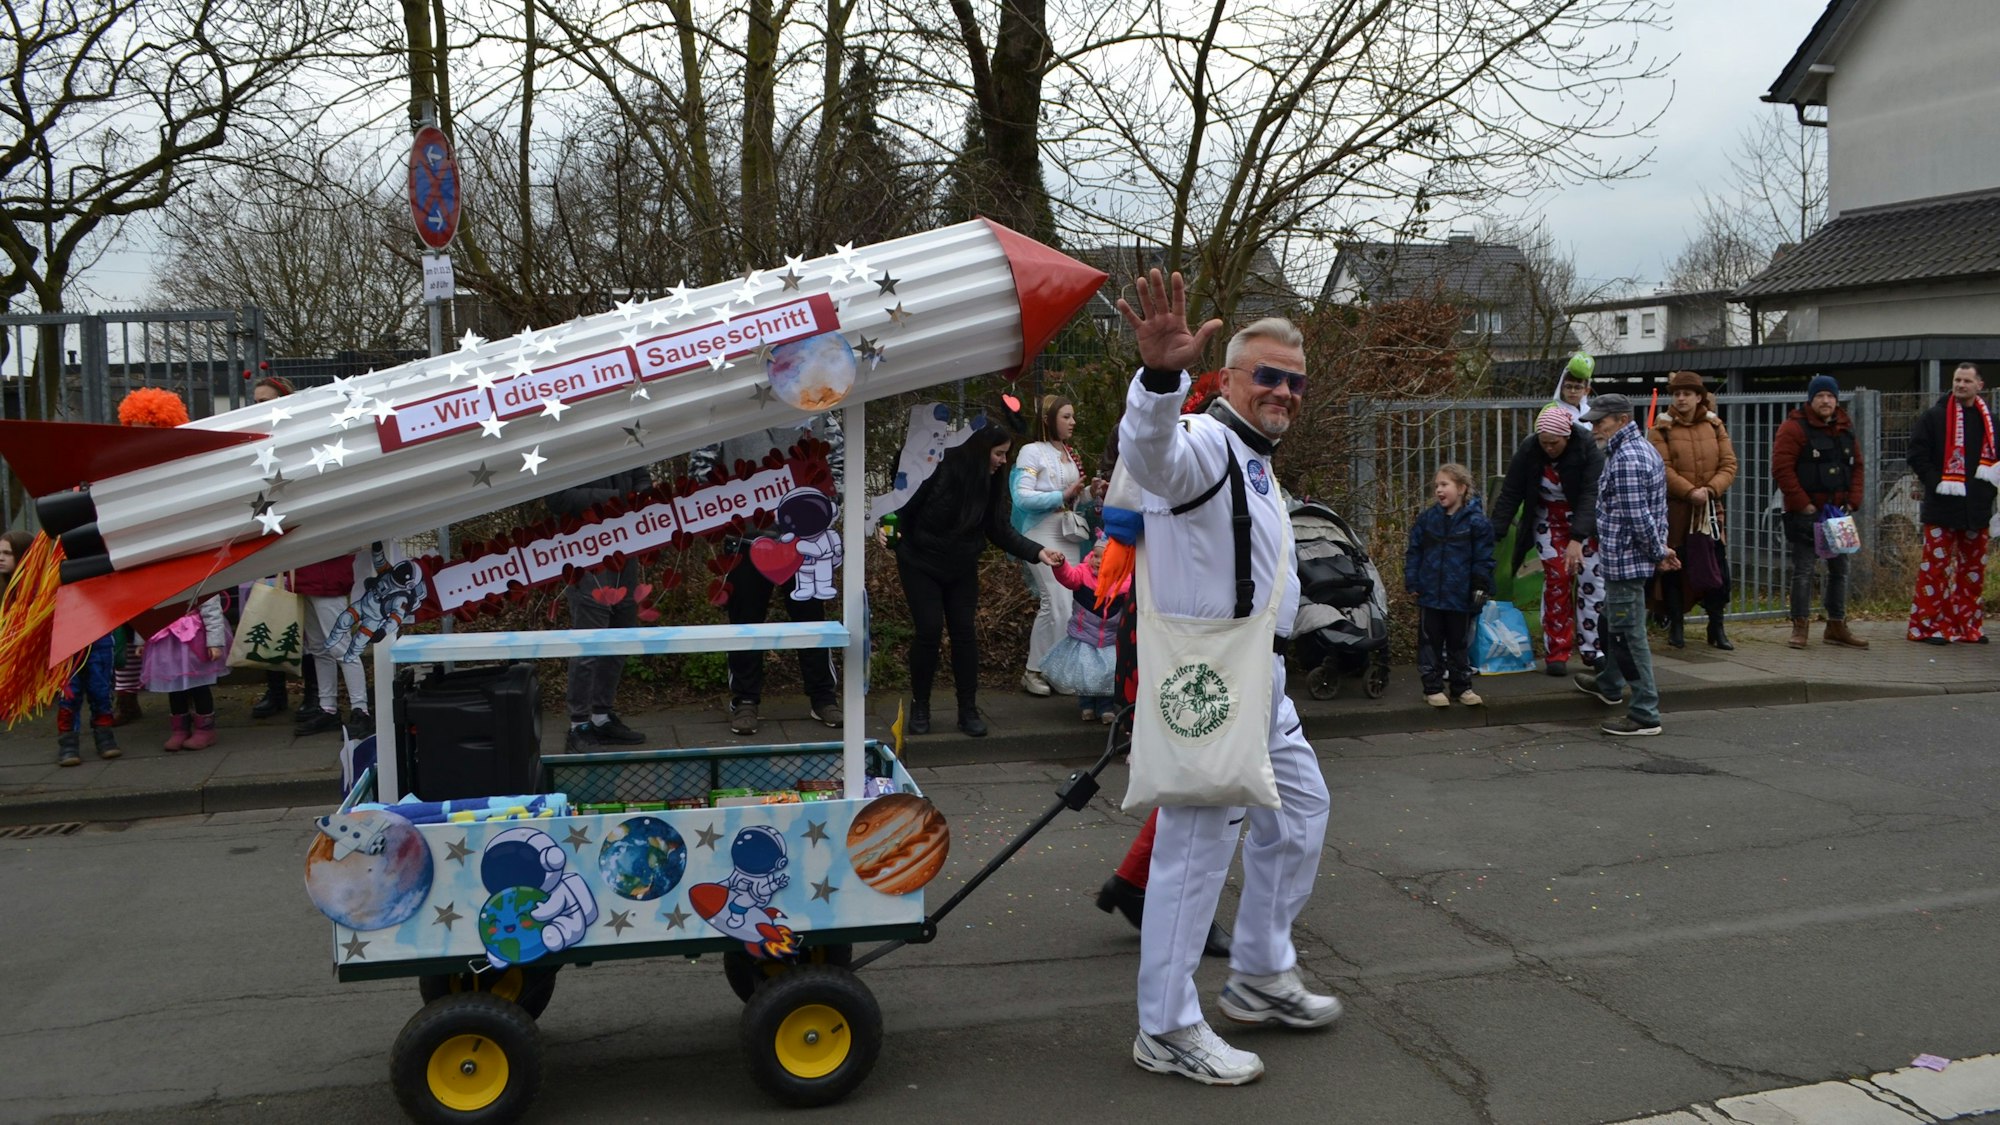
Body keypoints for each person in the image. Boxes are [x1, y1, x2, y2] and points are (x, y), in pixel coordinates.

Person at [1115, 271, 1337, 1088]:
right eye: (1268, 376)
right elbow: (1149, 453)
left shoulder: (1256, 463)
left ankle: (1260, 973)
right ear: (1231, 379)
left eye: (1295, 381)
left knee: (1301, 813)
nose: (1283, 392)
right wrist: (1158, 378)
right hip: (1210, 679)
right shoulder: (1203, 442)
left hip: (1259, 679)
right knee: (1196, 847)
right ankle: (1167, 1025)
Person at [881, 422, 1065, 737]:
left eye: (1005, 454)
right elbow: (901, 505)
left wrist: (1037, 551)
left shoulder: (991, 481)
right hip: (920, 561)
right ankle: (920, 706)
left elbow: (999, 529)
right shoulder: (937, 469)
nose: (1003, 461)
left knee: (964, 633)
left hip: (961, 564)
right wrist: (888, 531)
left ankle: (967, 709)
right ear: (979, 450)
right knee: (929, 630)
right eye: (998, 453)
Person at [690, 418, 845, 736]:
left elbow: (838, 459)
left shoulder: (815, 408)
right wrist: (723, 509)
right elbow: (700, 469)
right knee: (745, 624)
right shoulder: (727, 409)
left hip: (804, 539)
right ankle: (745, 700)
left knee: (812, 621)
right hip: (745, 541)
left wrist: (828, 507)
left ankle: (823, 698)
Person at [1573, 394, 1679, 737]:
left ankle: (1645, 712)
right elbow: (1649, 513)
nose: (1594, 427)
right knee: (1612, 622)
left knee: (1628, 637)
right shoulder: (1632, 451)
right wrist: (1659, 550)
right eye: (1591, 421)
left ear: (1621, 420)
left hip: (1626, 562)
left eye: (1600, 421)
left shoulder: (1627, 459)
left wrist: (1658, 552)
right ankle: (1609, 682)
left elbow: (1638, 517)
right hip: (1627, 560)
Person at [1490, 405, 1605, 676]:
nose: (1549, 448)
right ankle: (1557, 650)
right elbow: (1511, 493)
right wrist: (1495, 532)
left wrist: (1578, 537)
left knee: (1592, 582)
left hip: (1583, 521)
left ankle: (1594, 649)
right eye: (1545, 443)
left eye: (1554, 443)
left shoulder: (1587, 449)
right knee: (1557, 580)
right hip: (1548, 520)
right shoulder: (1529, 450)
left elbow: (1591, 494)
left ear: (1567, 437)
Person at [547, 467, 654, 750]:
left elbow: (641, 473)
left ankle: (601, 717)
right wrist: (616, 498)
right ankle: (578, 725)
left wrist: (643, 492)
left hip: (625, 546)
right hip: (584, 550)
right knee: (590, 640)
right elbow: (557, 498)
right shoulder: (563, 446)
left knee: (621, 634)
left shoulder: (623, 441)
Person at [1773, 374, 1870, 650]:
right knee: (1804, 570)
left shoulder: (1845, 427)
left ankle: (1836, 625)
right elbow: (1782, 469)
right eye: (1820, 396)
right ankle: (1800, 626)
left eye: (1830, 396)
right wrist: (1803, 504)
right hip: (1805, 513)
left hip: (1837, 513)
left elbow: (1857, 466)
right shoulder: (1793, 428)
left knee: (1840, 569)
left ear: (1836, 400)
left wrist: (1853, 500)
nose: (1826, 401)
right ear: (1811, 399)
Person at [1905, 362, 1998, 645]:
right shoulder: (1934, 417)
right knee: (1935, 570)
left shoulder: (1990, 422)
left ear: (1979, 385)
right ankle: (1925, 626)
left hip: (1977, 510)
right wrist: (1937, 482)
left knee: (1972, 572)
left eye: (1967, 381)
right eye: (1957, 380)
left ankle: (1966, 626)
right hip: (1941, 508)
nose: (1960, 385)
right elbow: (1917, 454)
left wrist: (1987, 491)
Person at [1646, 370, 1738, 650]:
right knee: (1676, 569)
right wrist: (1689, 492)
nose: (1681, 398)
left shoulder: (1715, 426)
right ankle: (1676, 626)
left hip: (1710, 511)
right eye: (1677, 393)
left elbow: (1729, 464)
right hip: (1676, 512)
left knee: (1716, 567)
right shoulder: (1661, 429)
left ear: (1699, 397)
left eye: (1687, 393)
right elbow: (1662, 468)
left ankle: (1716, 626)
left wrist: (1709, 490)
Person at [244, 375, 318, 721]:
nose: (258, 408)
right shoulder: (252, 439)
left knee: (305, 620)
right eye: (255, 402)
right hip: (265, 530)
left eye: (265, 402)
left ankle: (313, 694)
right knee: (269, 611)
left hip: (295, 535)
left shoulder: (299, 437)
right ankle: (275, 692)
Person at [1013, 395, 1093, 696]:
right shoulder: (1031, 452)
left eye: (1073, 416)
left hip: (1066, 533)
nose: (1073, 422)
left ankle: (1053, 670)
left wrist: (1090, 493)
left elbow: (1073, 498)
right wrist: (1061, 495)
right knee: (1055, 603)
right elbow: (1022, 497)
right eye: (1066, 416)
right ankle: (1034, 671)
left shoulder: (1069, 453)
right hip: (1041, 533)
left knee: (1068, 605)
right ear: (1049, 419)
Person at [1404, 463, 1495, 708]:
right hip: (1431, 592)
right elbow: (1414, 552)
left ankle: (1461, 686)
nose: (1438, 490)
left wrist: (1480, 586)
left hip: (1460, 594)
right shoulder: (1427, 520)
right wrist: (1412, 580)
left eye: (1444, 484)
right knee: (1430, 642)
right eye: (1436, 486)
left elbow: (1484, 558)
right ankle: (1432, 687)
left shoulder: (1477, 522)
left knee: (1459, 643)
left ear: (1462, 488)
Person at [1041, 535, 1124, 722]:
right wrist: (1061, 566)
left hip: (1110, 637)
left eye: (1104, 557)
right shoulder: (1082, 572)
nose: (1098, 561)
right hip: (1084, 634)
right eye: (1095, 555)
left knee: (1108, 673)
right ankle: (1086, 705)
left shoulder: (1123, 581)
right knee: (1086, 671)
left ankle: (1106, 707)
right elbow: (1068, 578)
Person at [290, 551, 373, 736]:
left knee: (341, 649)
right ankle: (329, 708)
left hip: (325, 578)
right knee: (320, 650)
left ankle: (360, 710)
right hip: (310, 578)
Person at [141, 589, 230, 751]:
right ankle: (180, 730)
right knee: (174, 687)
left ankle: (205, 730)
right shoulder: (155, 583)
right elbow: (145, 610)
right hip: (167, 641)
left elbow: (211, 611)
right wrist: (142, 638)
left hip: (194, 640)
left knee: (199, 686)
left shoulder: (202, 583)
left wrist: (215, 642)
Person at [1549, 352, 1594, 423]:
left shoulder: (1589, 412)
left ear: (1586, 390)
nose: (1572, 391)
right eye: (1568, 387)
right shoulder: (1552, 412)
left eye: (1578, 387)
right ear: (1562, 388)